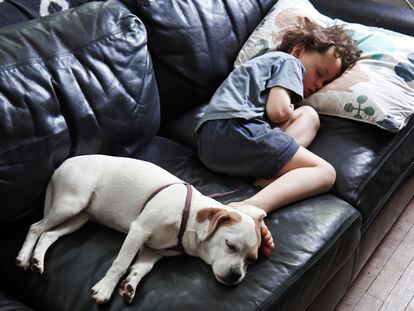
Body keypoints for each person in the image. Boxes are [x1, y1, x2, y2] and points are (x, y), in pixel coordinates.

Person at [195, 24, 361, 256]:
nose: (317, 86)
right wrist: (290, 110)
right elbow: (279, 112)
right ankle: (249, 208)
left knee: (309, 115)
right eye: (319, 74)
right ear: (298, 51)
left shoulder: (265, 66)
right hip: (234, 129)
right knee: (325, 172)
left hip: (210, 141)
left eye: (324, 83)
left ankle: (269, 176)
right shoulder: (289, 62)